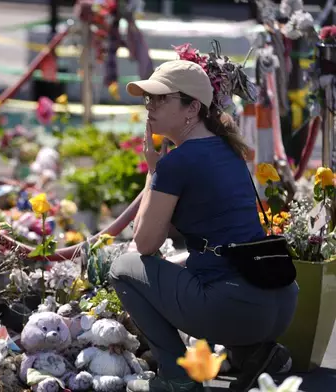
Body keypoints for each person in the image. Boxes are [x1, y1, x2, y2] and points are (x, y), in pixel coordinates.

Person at [108, 60, 298, 392]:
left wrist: (154, 174)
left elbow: (145, 244)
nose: (149, 105)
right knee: (190, 261)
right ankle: (252, 352)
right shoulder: (228, 148)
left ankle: (177, 376)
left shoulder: (177, 163)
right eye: (148, 98)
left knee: (123, 267)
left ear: (192, 107)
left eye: (161, 98)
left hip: (233, 308)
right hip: (278, 301)